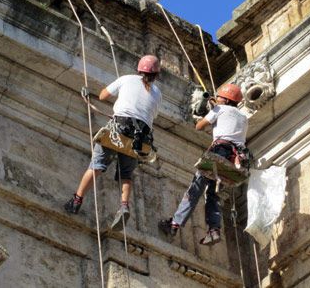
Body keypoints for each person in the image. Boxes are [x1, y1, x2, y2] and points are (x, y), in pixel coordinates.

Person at [64, 55, 162, 231]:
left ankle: (76, 200)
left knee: (97, 165)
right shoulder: (157, 93)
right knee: (126, 174)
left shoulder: (127, 79)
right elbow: (151, 115)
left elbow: (103, 96)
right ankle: (124, 205)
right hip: (141, 140)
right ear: (156, 74)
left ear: (139, 69)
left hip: (120, 128)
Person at [158, 83, 249, 246]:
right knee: (214, 195)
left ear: (227, 100)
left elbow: (199, 126)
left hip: (219, 152)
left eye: (220, 97)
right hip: (234, 159)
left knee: (195, 188)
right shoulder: (243, 118)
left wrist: (212, 112)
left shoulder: (220, 109)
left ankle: (174, 224)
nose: (218, 99)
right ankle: (214, 230)